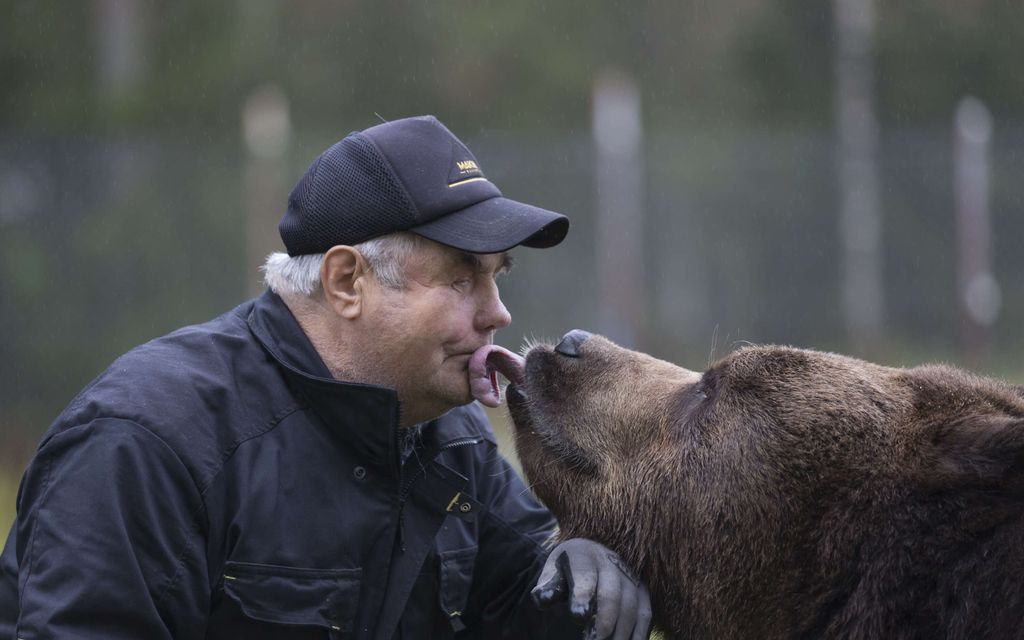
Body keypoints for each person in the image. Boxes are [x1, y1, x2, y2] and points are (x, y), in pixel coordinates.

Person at [0, 115, 651, 639]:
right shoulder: (145, 445)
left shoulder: (447, 436)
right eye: (460, 278)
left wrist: (571, 583)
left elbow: (510, 605)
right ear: (346, 282)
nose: (498, 313)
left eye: (496, 276)